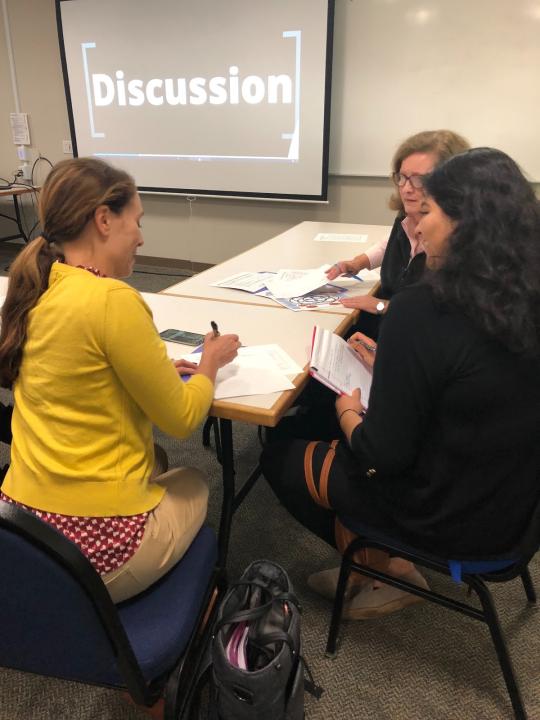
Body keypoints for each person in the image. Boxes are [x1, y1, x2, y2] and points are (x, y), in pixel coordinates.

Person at [261, 148, 540, 619]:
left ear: (463, 222)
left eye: (427, 211)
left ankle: (387, 566)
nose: (419, 225)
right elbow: (470, 382)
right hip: (516, 506)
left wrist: (348, 412)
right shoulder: (524, 293)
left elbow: (381, 454)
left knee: (283, 450)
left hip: (449, 518)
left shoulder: (424, 308)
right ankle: (375, 560)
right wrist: (395, 367)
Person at [0, 158, 240, 603]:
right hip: (96, 554)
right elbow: (185, 416)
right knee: (194, 481)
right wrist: (211, 361)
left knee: (156, 459)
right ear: (104, 220)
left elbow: (76, 373)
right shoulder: (113, 300)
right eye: (138, 221)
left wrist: (153, 372)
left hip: (22, 533)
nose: (142, 237)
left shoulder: (38, 286)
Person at [326, 130, 469, 339]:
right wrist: (357, 263)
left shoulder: (460, 243)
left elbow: (443, 321)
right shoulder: (407, 215)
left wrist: (382, 306)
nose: (406, 188)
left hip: (414, 337)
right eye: (402, 177)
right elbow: (391, 244)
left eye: (420, 180)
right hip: (391, 329)